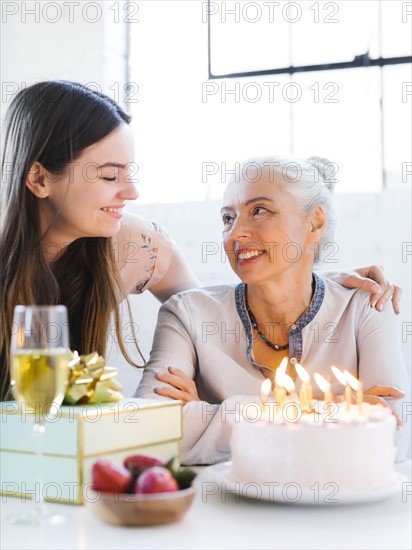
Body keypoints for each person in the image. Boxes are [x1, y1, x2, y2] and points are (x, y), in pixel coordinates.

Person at [0, 80, 400, 401]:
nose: (131, 192)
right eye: (109, 176)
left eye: (129, 172)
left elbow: (214, 318)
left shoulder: (135, 246)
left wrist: (313, 282)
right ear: (39, 179)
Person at [135, 156, 410, 465]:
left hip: (340, 512)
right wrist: (321, 411)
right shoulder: (186, 314)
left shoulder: (365, 306)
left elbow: (392, 441)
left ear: (315, 222)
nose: (236, 233)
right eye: (228, 218)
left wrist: (211, 418)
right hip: (224, 510)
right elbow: (148, 429)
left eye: (259, 211)